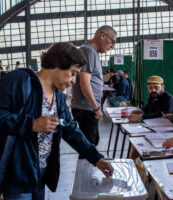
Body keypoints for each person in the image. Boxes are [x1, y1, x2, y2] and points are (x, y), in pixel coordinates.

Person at [0, 42, 114, 200]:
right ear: (57, 64)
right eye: (73, 73)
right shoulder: (20, 81)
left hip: (39, 177)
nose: (74, 80)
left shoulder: (59, 98)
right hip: (17, 178)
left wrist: (96, 158)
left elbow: (71, 130)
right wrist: (31, 124)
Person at [71, 25, 117, 149]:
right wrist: (96, 108)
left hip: (88, 107)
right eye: (112, 41)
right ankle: (86, 169)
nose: (112, 46)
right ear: (102, 35)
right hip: (86, 108)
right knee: (89, 147)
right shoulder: (88, 51)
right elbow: (84, 83)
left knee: (92, 142)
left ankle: (88, 168)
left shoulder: (93, 52)